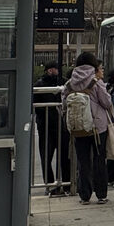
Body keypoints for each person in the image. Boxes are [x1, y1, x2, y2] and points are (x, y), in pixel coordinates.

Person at [61, 52, 114, 205]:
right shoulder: (96, 82)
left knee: (83, 161)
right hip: (98, 127)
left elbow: (64, 104)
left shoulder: (70, 83)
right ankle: (101, 194)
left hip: (78, 127)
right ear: (93, 65)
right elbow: (106, 102)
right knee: (99, 159)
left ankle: (84, 195)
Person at [33, 63, 71, 194]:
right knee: (52, 156)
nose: (57, 71)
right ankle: (58, 184)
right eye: (56, 68)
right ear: (50, 70)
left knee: (57, 156)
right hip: (50, 126)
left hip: (52, 126)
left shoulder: (60, 82)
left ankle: (59, 184)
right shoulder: (41, 85)